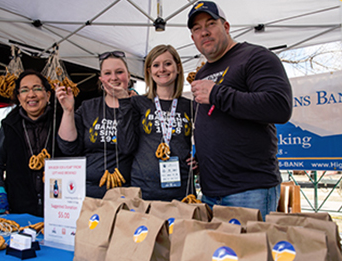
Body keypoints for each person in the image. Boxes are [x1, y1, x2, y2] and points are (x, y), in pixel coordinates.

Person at [188, 1, 293, 219]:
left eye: (210, 24)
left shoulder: (255, 57)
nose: (204, 32)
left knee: (251, 253)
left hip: (249, 190)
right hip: (209, 191)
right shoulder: (202, 73)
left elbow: (279, 106)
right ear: (193, 39)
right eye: (197, 28)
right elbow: (213, 121)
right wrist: (201, 157)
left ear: (226, 27)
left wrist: (217, 94)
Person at [117, 44, 196, 201]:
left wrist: (200, 158)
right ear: (149, 71)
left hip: (183, 190)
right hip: (144, 190)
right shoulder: (137, 103)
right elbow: (125, 146)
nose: (162, 69)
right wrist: (123, 104)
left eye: (168, 63)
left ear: (178, 68)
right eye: (156, 65)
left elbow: (207, 137)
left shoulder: (191, 106)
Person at [56, 51, 134, 199]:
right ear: (101, 78)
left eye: (119, 72)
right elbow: (68, 148)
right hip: (88, 192)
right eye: (107, 73)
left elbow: (128, 147)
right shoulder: (88, 107)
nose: (114, 77)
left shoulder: (137, 106)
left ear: (128, 76)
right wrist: (68, 111)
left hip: (126, 192)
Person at [0, 69, 61, 217]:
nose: (31, 95)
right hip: (19, 209)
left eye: (37, 89)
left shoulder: (62, 120)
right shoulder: (9, 125)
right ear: (19, 97)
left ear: (48, 95)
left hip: (60, 209)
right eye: (24, 90)